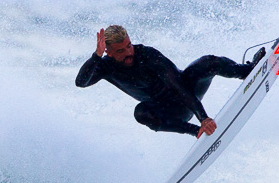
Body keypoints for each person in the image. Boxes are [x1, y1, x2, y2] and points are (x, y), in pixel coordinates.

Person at [74, 24, 259, 138]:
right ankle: (195, 132)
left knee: (208, 62)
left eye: (128, 46)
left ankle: (249, 71)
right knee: (141, 112)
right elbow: (81, 82)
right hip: (168, 112)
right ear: (108, 52)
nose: (128, 52)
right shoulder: (105, 66)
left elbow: (178, 86)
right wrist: (96, 57)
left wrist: (204, 117)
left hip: (187, 92)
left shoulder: (147, 55)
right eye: (121, 51)